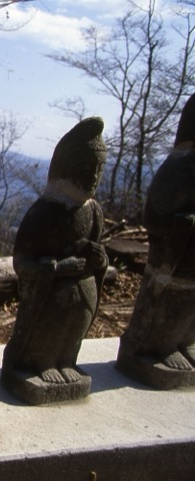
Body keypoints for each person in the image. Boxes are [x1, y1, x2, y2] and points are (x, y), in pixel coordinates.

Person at [1, 118, 108, 403]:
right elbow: (22, 263)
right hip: (50, 298)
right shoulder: (44, 212)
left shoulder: (94, 212)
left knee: (73, 331)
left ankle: (65, 361)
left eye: (99, 168)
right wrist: (56, 268)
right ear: (66, 167)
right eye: (86, 167)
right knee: (49, 330)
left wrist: (100, 261)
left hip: (83, 292)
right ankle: (40, 363)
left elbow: (97, 256)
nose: (94, 176)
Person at [118, 93, 195, 388]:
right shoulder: (180, 166)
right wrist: (184, 224)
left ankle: (183, 343)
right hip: (174, 260)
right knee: (171, 306)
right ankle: (157, 347)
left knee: (189, 309)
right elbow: (156, 217)